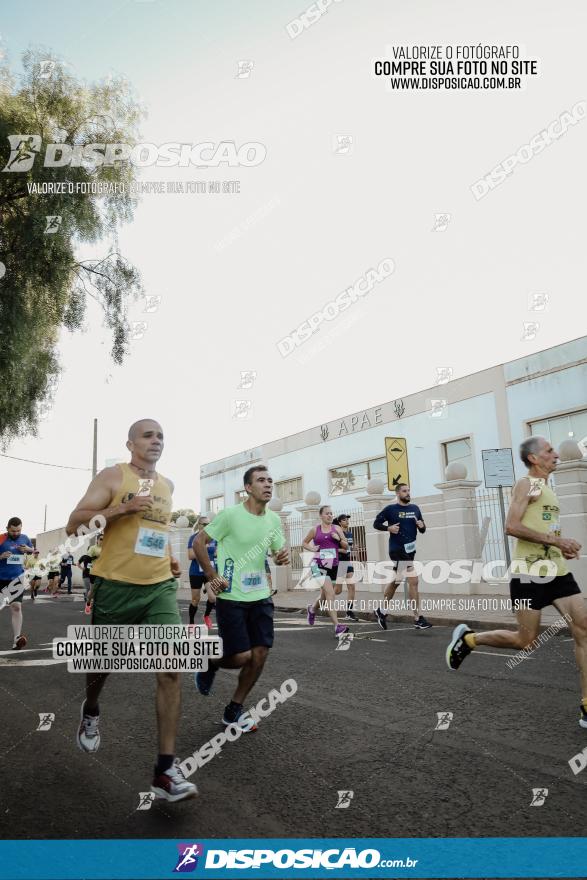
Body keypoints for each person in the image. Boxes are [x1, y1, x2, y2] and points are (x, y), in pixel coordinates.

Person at [65, 419, 196, 801]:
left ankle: (165, 771)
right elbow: (75, 524)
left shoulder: (168, 486)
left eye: (161, 436)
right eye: (148, 435)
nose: (156, 441)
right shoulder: (113, 476)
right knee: (102, 664)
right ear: (130, 444)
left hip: (158, 588)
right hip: (115, 586)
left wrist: (170, 558)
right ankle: (91, 709)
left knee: (171, 668)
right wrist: (121, 509)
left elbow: (158, 530)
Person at [447, 436, 587, 728]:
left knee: (583, 630)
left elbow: (541, 528)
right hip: (529, 573)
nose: (556, 454)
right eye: (549, 451)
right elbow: (511, 526)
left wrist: (559, 547)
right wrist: (557, 540)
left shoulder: (547, 488)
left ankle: (586, 704)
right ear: (534, 458)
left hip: (557, 571)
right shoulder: (527, 484)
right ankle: (470, 639)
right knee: (526, 641)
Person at [193, 465, 290, 730]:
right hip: (231, 595)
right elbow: (198, 543)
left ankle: (234, 710)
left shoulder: (273, 520)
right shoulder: (230, 515)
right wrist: (212, 576)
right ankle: (210, 662)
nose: (268, 484)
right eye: (261, 480)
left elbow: (278, 550)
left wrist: (282, 555)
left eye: (270, 480)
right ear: (248, 488)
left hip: (260, 595)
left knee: (259, 655)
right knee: (240, 656)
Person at [373, 483, 432, 630]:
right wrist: (388, 528)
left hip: (410, 550)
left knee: (395, 582)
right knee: (414, 580)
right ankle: (418, 618)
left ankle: (381, 611)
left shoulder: (415, 509)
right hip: (397, 549)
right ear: (398, 493)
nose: (408, 493)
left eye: (408, 491)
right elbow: (376, 523)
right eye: (404, 491)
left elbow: (423, 529)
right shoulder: (391, 509)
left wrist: (421, 525)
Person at [304, 506, 350, 636]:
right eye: (327, 514)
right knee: (330, 594)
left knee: (325, 596)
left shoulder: (337, 529)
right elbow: (304, 543)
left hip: (333, 566)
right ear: (321, 516)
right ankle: (337, 627)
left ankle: (312, 610)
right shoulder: (315, 530)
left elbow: (346, 546)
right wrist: (312, 549)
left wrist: (339, 539)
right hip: (318, 565)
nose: (330, 515)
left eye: (331, 513)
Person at [0, 517, 34, 648]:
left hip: (17, 579)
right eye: (13, 531)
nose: (16, 533)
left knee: (16, 607)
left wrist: (28, 549)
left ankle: (16, 639)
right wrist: (1, 556)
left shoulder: (24, 538)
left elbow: (34, 551)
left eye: (18, 530)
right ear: (7, 528)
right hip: (1, 579)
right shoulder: (1, 539)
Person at [187, 516, 216, 629]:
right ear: (199, 525)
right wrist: (202, 547)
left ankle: (206, 616)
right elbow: (190, 555)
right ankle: (191, 622)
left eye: (209, 524)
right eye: (204, 524)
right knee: (195, 599)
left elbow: (217, 553)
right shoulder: (193, 538)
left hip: (209, 572)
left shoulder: (214, 538)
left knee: (213, 598)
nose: (207, 527)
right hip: (196, 572)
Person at [333, 514, 358, 622]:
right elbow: (332, 548)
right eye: (344, 520)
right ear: (339, 522)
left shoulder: (349, 533)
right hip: (339, 563)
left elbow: (348, 547)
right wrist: (341, 550)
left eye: (347, 519)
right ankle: (323, 598)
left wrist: (352, 548)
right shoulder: (336, 533)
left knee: (352, 587)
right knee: (337, 590)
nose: (347, 521)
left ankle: (349, 611)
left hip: (347, 562)